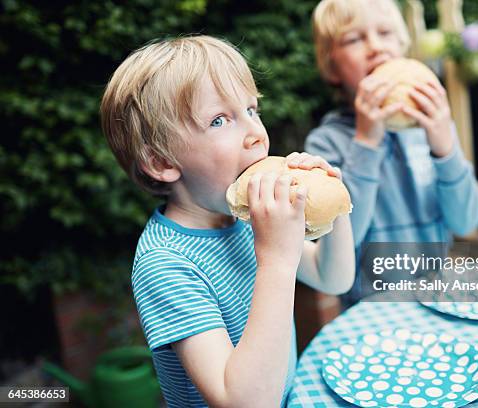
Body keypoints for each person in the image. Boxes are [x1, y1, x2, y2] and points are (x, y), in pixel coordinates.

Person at [99, 35, 355, 407]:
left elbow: (333, 278)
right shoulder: (166, 264)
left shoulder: (244, 215)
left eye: (252, 110)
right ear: (162, 162)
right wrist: (277, 260)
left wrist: (332, 203)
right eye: (220, 120)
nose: (256, 133)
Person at [307, 0, 478, 305]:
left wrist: (445, 148)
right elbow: (343, 243)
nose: (376, 47)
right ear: (331, 67)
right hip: (370, 309)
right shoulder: (326, 144)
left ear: (402, 47)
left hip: (438, 298)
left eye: (386, 33)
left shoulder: (427, 130)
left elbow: (466, 221)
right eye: (354, 39)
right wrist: (366, 141)